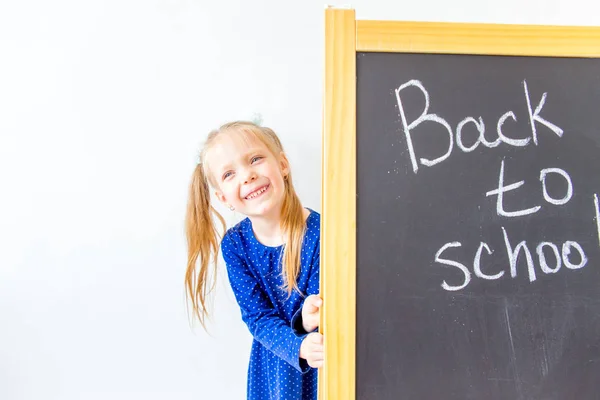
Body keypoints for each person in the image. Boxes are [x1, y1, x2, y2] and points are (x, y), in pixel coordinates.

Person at [184, 121, 324, 400]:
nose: (247, 176)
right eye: (229, 173)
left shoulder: (323, 232)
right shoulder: (235, 246)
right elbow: (258, 318)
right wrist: (297, 342)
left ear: (282, 164)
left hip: (320, 363)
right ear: (224, 199)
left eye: (255, 159)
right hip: (273, 369)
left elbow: (327, 308)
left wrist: (310, 320)